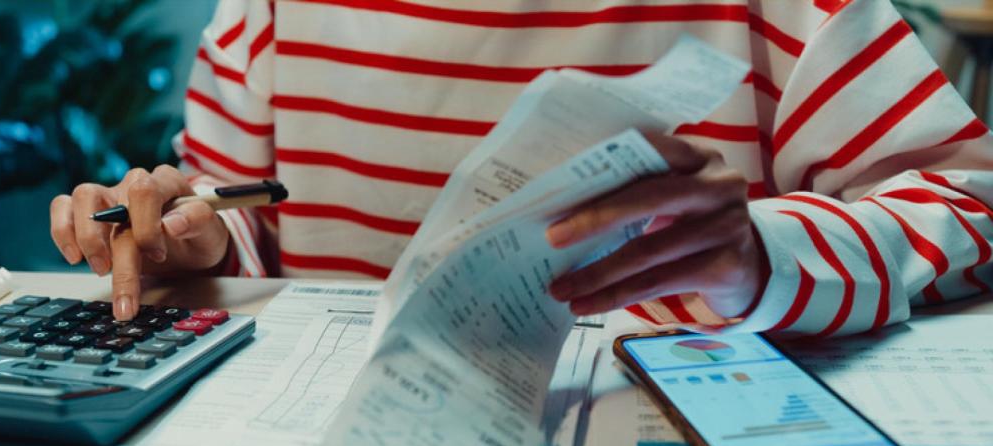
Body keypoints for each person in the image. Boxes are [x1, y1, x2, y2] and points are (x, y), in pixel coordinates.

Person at [50, 0, 993, 337]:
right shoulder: (270, 12)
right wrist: (188, 245)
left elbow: (972, 206)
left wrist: (764, 255)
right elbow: (250, 221)